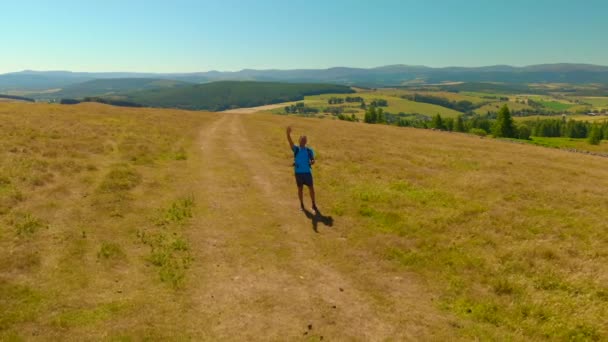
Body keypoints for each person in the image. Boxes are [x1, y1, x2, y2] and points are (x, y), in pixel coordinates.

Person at [286, 126, 318, 213]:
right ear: (299, 140)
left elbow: (312, 159)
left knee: (311, 188)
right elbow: (290, 142)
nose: (303, 141)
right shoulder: (296, 149)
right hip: (298, 173)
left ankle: (313, 204)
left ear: (306, 141)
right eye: (302, 139)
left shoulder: (309, 150)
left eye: (305, 140)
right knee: (300, 189)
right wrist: (288, 134)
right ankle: (302, 205)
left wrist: (312, 161)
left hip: (307, 172)